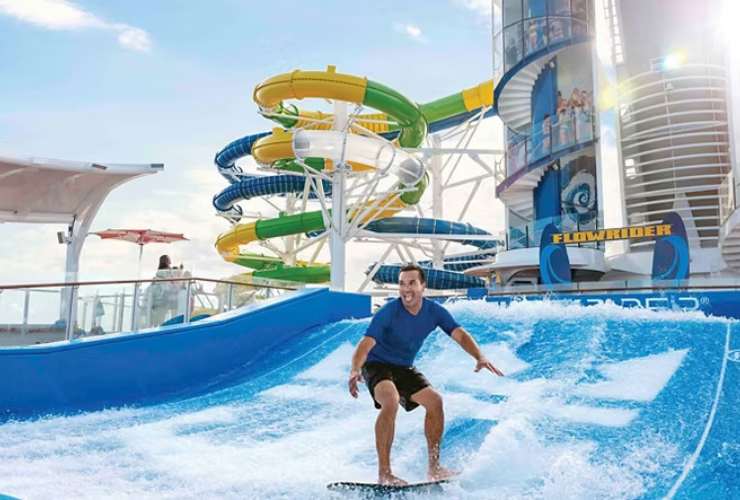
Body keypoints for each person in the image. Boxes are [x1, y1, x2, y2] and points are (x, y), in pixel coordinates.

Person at [348, 264, 504, 486]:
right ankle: (385, 473)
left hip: (403, 367)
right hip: (376, 364)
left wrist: (479, 356)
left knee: (435, 402)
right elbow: (366, 344)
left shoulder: (434, 311)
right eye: (402, 284)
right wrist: (355, 369)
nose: (406, 289)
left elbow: (459, 334)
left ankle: (434, 468)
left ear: (423, 286)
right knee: (390, 402)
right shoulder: (389, 312)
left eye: (412, 283)